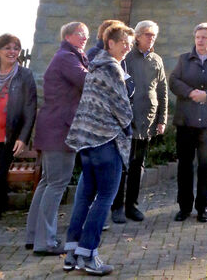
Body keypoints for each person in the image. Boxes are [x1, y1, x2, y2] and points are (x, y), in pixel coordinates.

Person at [63, 22, 134, 275]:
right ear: (110, 43)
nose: (127, 47)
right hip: (106, 141)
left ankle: (71, 253)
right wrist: (129, 126)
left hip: (87, 140)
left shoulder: (94, 65)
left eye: (130, 43)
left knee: (84, 196)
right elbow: (122, 108)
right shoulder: (112, 68)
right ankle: (89, 255)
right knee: (105, 197)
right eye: (123, 42)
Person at [26, 21, 89, 255]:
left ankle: (34, 236)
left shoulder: (69, 56)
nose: (84, 38)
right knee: (56, 184)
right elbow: (87, 80)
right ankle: (46, 242)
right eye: (80, 34)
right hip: (60, 129)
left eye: (86, 35)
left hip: (53, 127)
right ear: (68, 35)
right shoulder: (67, 57)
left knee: (47, 183)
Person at [169, 22, 207, 223]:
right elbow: (173, 81)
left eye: (204, 37)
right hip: (185, 121)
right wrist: (189, 92)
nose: (200, 41)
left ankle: (203, 206)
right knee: (185, 166)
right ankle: (184, 207)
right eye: (198, 37)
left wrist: (206, 95)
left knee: (206, 166)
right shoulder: (184, 60)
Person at [111, 20, 167, 224]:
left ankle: (131, 206)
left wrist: (162, 119)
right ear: (137, 36)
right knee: (123, 165)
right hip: (127, 120)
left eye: (153, 35)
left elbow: (162, 90)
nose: (150, 38)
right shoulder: (127, 58)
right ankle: (116, 206)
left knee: (138, 166)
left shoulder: (157, 60)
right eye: (146, 34)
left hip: (147, 121)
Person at [0, 34, 37, 247]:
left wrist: (23, 138)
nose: (13, 52)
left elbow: (29, 108)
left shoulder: (24, 76)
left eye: (16, 48)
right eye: (8, 48)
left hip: (5, 141)